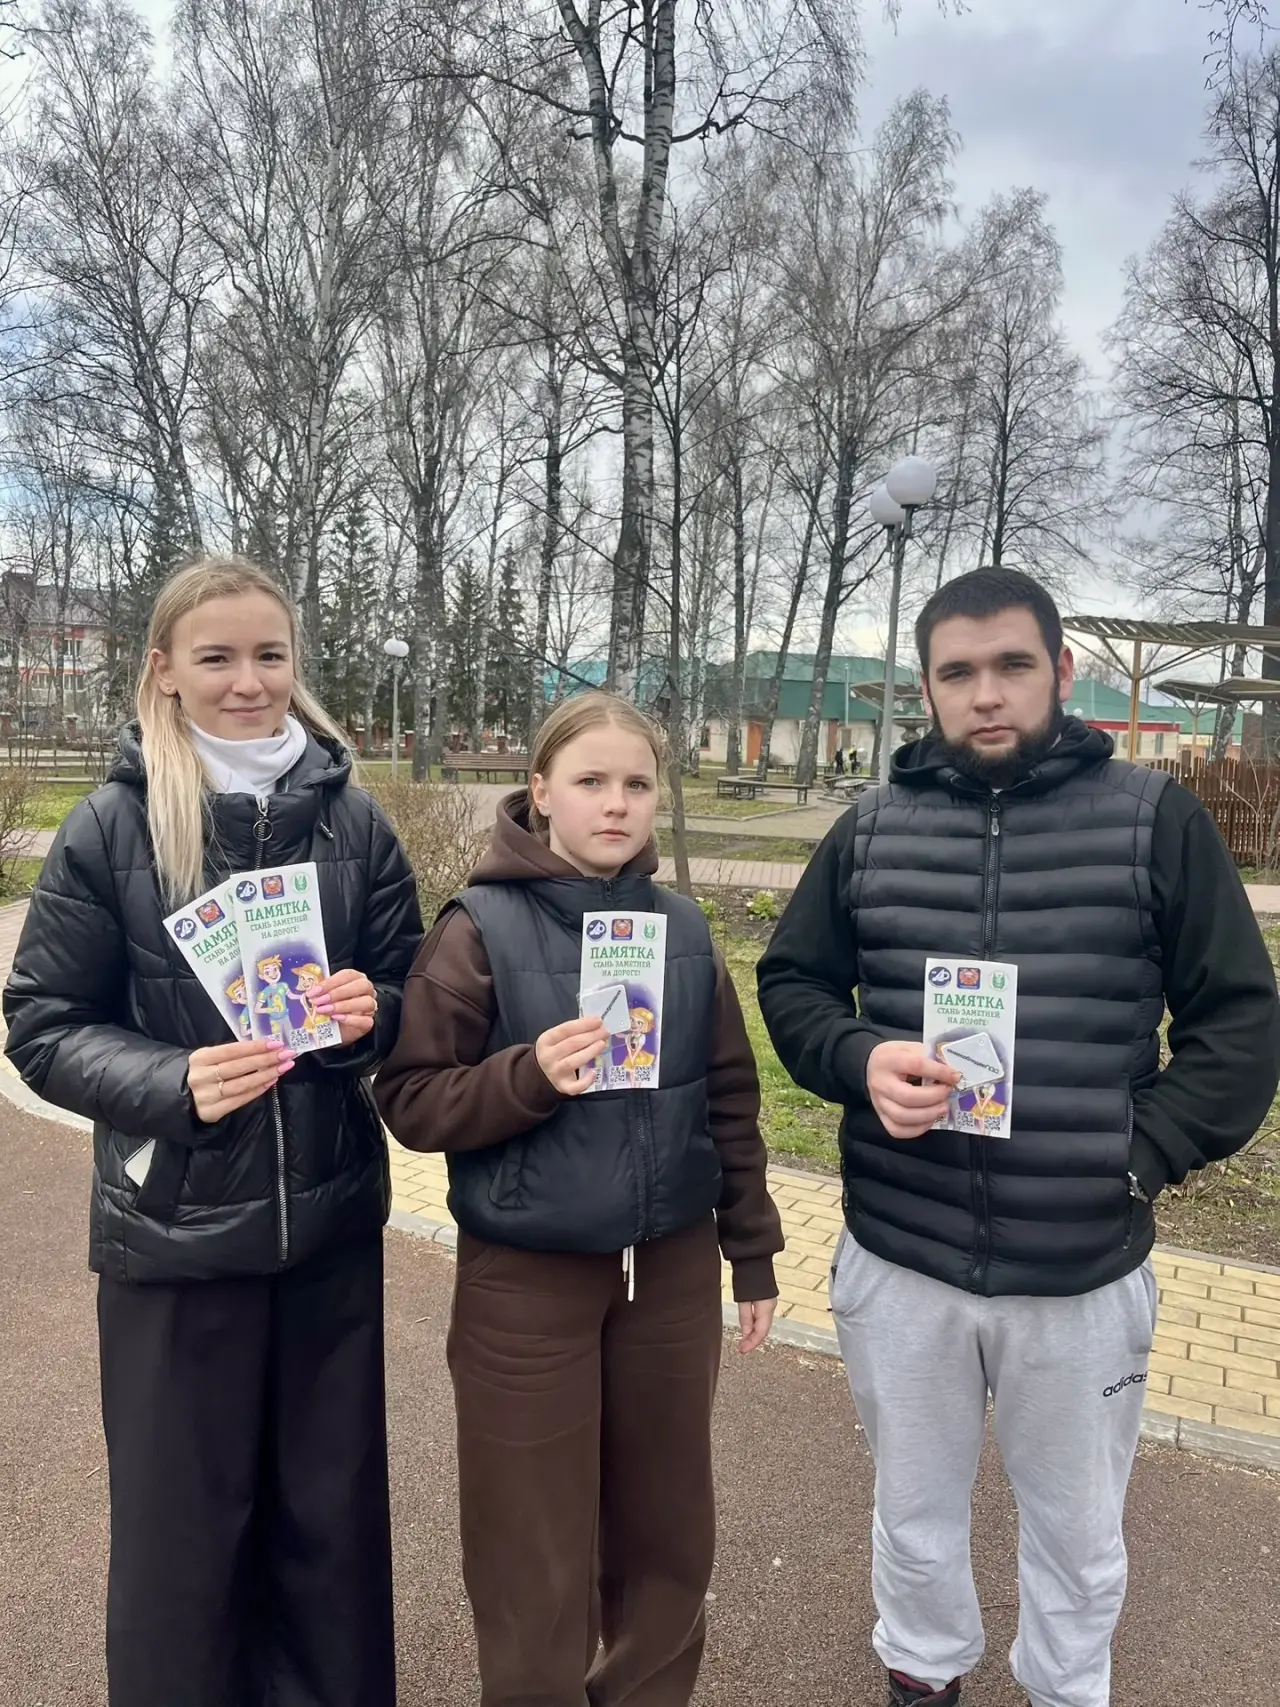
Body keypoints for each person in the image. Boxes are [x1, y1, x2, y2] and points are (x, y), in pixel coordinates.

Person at [756, 566, 1280, 1707]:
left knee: (1079, 1534)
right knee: (912, 1514)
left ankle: (1065, 1687)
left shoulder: (1154, 820)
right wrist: (857, 1060)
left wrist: (1137, 1157)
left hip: (1080, 1266)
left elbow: (1239, 1023)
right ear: (925, 688)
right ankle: (922, 1673)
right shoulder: (869, 829)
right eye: (957, 672)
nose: (985, 693)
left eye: (1011, 665)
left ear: (1061, 671)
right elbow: (792, 985)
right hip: (902, 1253)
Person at [3, 555, 423, 1707]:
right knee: (181, 1544)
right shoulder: (111, 828)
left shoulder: (356, 824)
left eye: (269, 655)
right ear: (165, 671)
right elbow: (41, 1027)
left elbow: (413, 993)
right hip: (174, 1238)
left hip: (328, 1236)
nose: (249, 681)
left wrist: (374, 1013)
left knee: (329, 1530)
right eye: (218, 657)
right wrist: (172, 1079)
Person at [375, 690, 784, 1707]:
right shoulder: (478, 927)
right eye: (591, 780)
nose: (616, 803)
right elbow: (411, 1098)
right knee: (532, 1548)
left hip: (670, 1271)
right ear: (541, 792)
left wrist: (752, 1251)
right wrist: (527, 1075)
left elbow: (728, 1097)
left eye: (637, 783)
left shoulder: (680, 928)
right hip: (527, 1278)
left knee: (667, 1533)